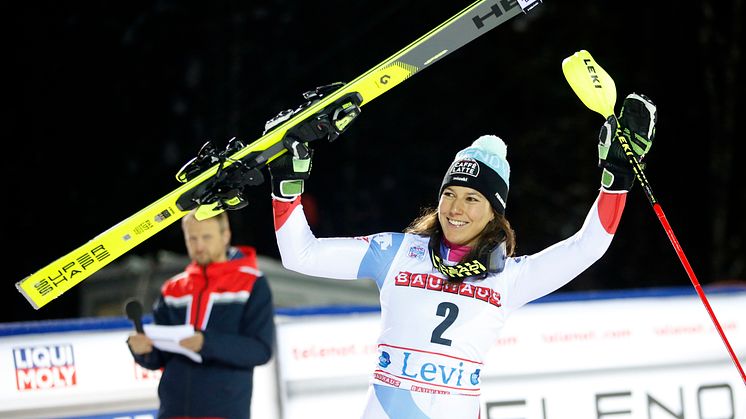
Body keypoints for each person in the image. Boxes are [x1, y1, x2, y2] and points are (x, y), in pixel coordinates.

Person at [267, 93, 656, 418]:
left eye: (472, 199)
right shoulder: (398, 252)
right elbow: (301, 256)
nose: (456, 209)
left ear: (494, 212)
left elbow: (589, 245)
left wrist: (616, 177)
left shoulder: (509, 277)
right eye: (449, 195)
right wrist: (287, 187)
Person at [127, 210, 275, 419]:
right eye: (192, 238)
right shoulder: (173, 288)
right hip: (173, 411)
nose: (199, 246)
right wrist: (142, 351)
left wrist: (206, 343)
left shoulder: (252, 283)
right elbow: (158, 358)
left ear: (226, 236)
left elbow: (260, 350)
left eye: (206, 237)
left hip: (224, 412)